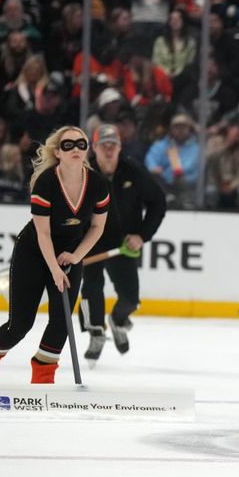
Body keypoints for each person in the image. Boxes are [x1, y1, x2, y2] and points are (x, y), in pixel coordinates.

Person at [0, 126, 109, 384]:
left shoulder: (98, 184)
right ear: (58, 152)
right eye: (68, 145)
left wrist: (76, 256)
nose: (76, 149)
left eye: (81, 144)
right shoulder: (46, 183)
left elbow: (98, 227)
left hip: (69, 255)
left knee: (61, 322)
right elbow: (43, 234)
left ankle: (42, 381)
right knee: (19, 326)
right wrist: (54, 270)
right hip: (33, 252)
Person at [79, 124, 166, 361]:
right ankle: (95, 332)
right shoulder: (82, 173)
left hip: (123, 244)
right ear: (94, 148)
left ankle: (118, 320)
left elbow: (158, 203)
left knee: (130, 299)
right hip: (90, 242)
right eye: (103, 145)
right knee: (90, 290)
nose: (109, 150)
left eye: (113, 145)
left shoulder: (133, 172)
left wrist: (141, 235)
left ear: (120, 147)